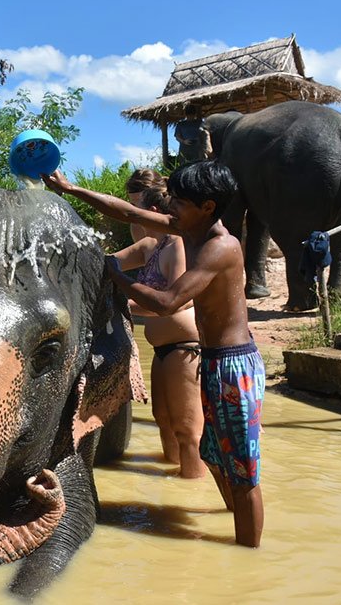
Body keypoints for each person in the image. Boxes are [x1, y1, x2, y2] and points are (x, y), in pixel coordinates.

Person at [43, 161, 264, 547]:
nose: (168, 208)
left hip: (234, 365)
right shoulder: (186, 230)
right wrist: (71, 188)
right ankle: (233, 524)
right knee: (215, 456)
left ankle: (247, 556)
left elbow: (168, 302)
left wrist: (116, 277)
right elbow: (127, 211)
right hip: (214, 361)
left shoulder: (220, 247)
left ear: (208, 206)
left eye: (179, 201)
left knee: (242, 472)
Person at [113, 178, 206, 479]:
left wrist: (124, 306)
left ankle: (194, 498)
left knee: (187, 429)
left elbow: (176, 301)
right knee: (163, 419)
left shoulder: (176, 245)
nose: (135, 218)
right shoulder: (151, 246)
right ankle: (175, 482)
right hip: (163, 348)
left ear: (151, 211)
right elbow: (108, 264)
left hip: (185, 347)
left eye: (137, 211)